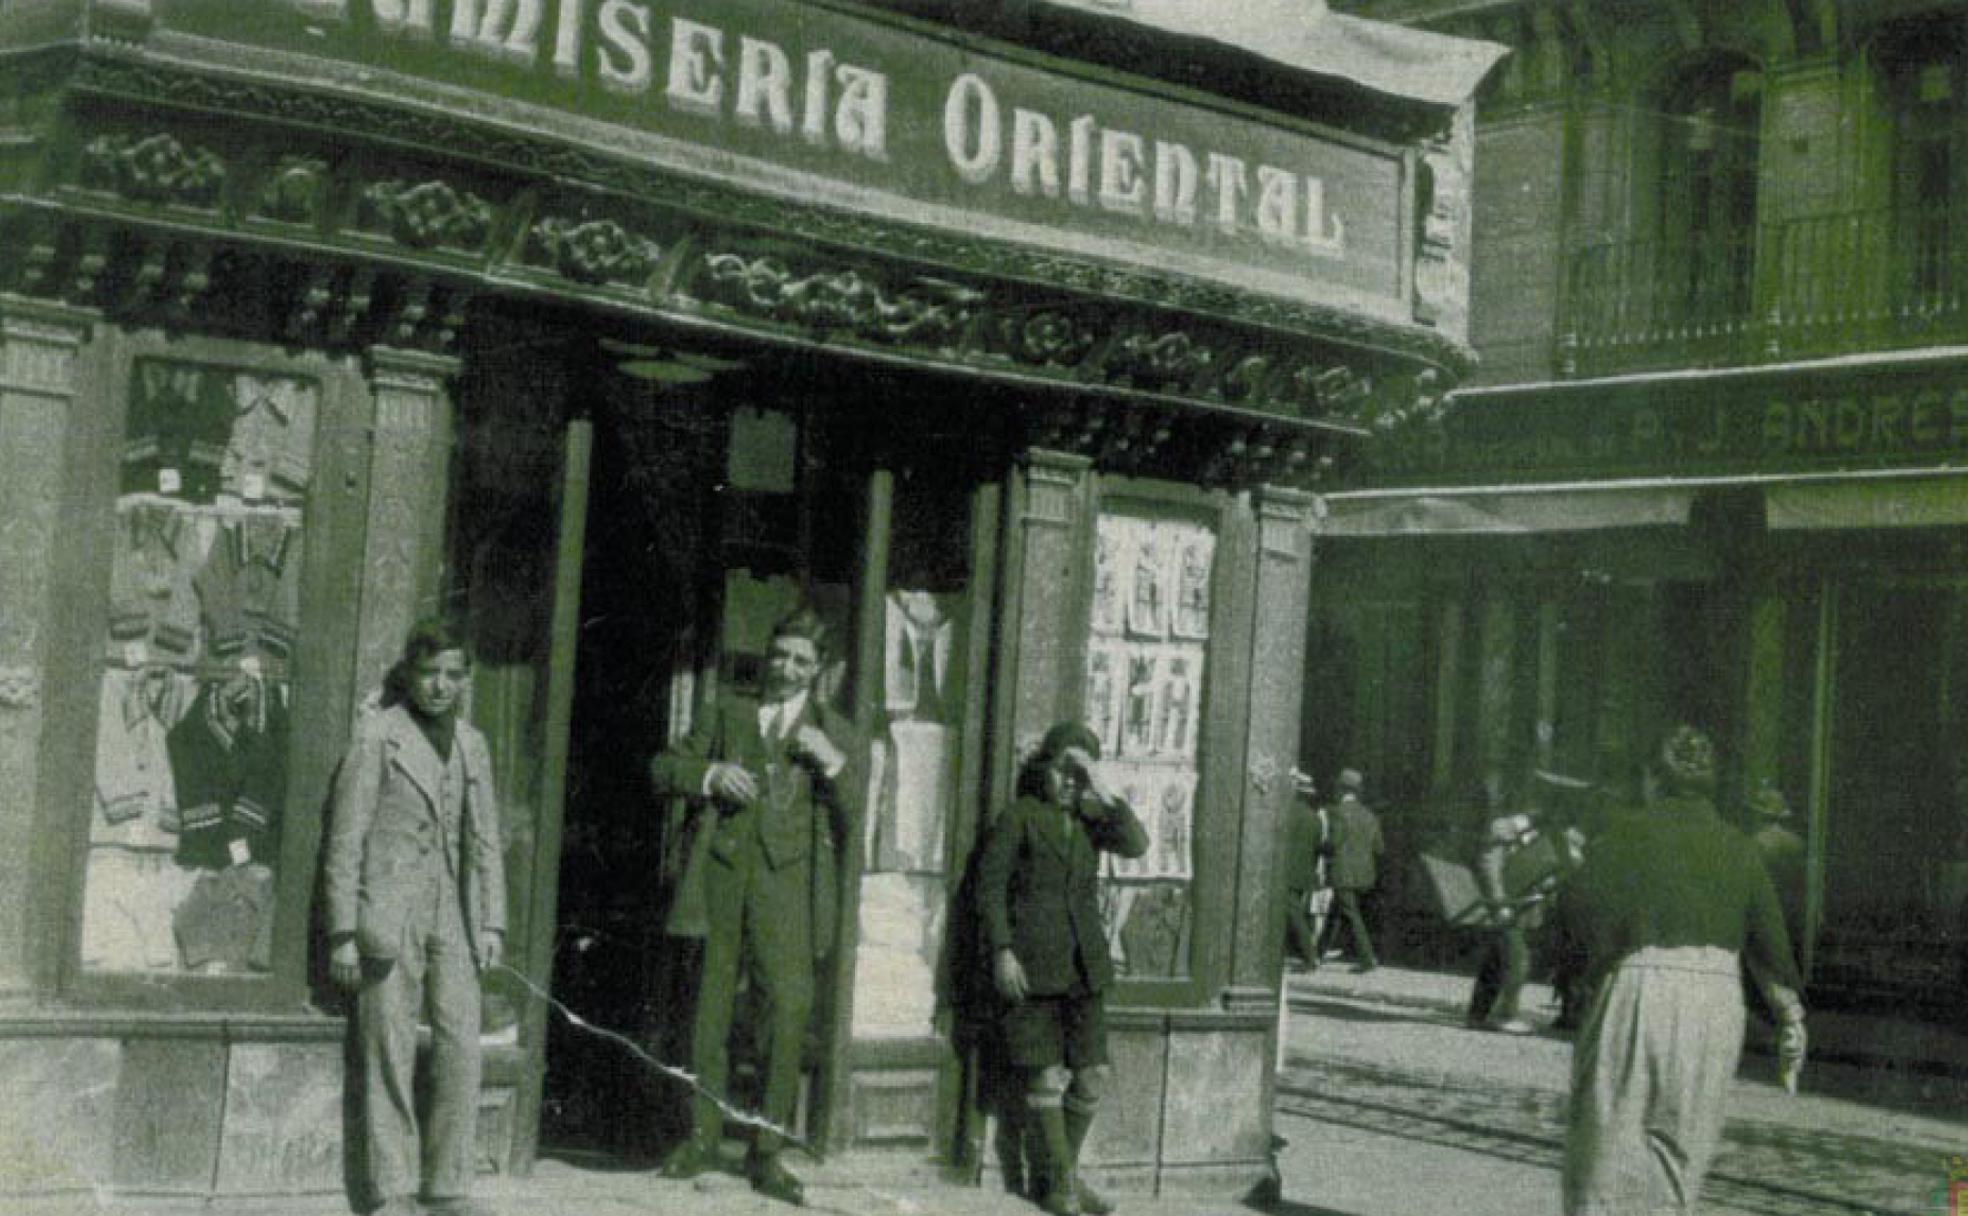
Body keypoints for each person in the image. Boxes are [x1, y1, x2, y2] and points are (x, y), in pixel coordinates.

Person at [650, 609, 862, 1207]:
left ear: (819, 671)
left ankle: (766, 1153)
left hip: (789, 891)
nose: (786, 668)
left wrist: (833, 761)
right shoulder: (727, 711)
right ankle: (702, 1138)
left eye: (800, 660)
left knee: (789, 1013)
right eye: (781, 655)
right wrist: (711, 774)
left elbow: (858, 812)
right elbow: (664, 767)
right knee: (708, 1014)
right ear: (768, 655)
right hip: (721, 880)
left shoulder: (834, 730)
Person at [1559, 725, 1806, 1216]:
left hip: (1641, 986)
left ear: (1654, 779)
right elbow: (1769, 943)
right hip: (1716, 1003)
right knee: (1680, 1152)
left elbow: (1579, 918)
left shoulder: (1626, 833)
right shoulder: (1739, 847)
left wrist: (1576, 867)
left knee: (1604, 1148)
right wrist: (1790, 1016)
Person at [323, 618, 506, 1216]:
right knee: (388, 1044)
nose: (441, 686)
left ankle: (449, 1183)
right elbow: (344, 839)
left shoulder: (473, 743)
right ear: (409, 674)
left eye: (454, 674)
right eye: (430, 673)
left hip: (453, 911)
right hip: (388, 912)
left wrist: (491, 923)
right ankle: (391, 1190)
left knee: (461, 1045)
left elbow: (486, 841)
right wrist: (343, 932)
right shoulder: (380, 737)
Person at [977, 721, 1149, 1216]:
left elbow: (1137, 844)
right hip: (1032, 966)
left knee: (1091, 1074)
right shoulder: (1021, 817)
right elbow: (989, 890)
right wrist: (1002, 951)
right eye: (1062, 771)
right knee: (1044, 1076)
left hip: (1084, 968)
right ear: (1043, 769)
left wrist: (1103, 788)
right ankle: (1064, 1187)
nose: (1068, 783)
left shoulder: (1094, 821)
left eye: (1079, 774)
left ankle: (1061, 1180)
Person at [1465, 776, 1536, 1035]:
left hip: (1513, 904)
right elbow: (1489, 867)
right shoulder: (1501, 830)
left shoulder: (1509, 830)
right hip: (1506, 905)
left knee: (1496, 959)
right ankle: (1506, 1014)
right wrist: (1500, 904)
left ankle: (1478, 1014)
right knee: (1517, 959)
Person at [1320, 768, 1382, 973]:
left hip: (1342, 873)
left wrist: (1320, 848)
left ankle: (1367, 958)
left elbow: (1334, 842)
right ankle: (1315, 953)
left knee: (1351, 914)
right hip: (1364, 875)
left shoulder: (1337, 812)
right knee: (1336, 912)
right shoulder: (1370, 815)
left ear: (1340, 789)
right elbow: (1379, 848)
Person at [1281, 768, 1327, 972]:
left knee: (1293, 915)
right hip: (1303, 874)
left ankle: (1310, 956)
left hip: (1284, 873)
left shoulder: (1284, 815)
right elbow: (1318, 849)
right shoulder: (1315, 820)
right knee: (1293, 912)